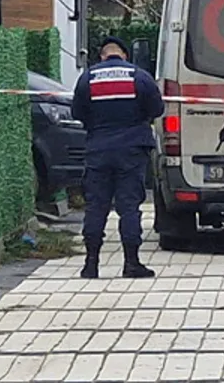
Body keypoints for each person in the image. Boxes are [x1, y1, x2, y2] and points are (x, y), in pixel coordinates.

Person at [71, 36, 164, 279]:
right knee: (129, 206)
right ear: (124, 55)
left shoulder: (87, 78)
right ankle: (131, 263)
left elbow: (78, 112)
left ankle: (91, 264)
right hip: (132, 151)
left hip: (98, 150)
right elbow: (157, 109)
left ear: (102, 56)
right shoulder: (140, 76)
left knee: (96, 206)